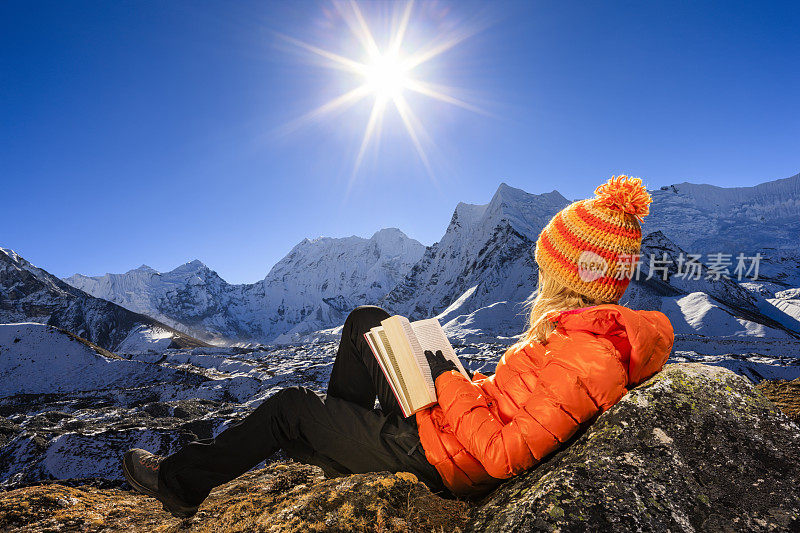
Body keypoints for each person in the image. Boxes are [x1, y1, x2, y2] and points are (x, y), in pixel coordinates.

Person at [122, 175, 674, 517]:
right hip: (449, 434)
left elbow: (504, 456)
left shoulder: (583, 354)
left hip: (443, 464)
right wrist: (458, 379)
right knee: (369, 321)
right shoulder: (582, 336)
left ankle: (180, 486)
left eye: (545, 267)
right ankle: (340, 440)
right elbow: (519, 409)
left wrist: (447, 383)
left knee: (289, 408)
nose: (537, 278)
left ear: (568, 274)